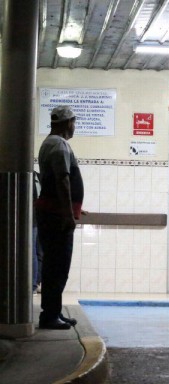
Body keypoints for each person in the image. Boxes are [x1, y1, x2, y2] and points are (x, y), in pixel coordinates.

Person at [35, 105, 85, 330]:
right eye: (74, 122)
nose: (75, 127)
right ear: (67, 123)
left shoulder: (49, 143)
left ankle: (53, 311)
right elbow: (62, 181)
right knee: (58, 266)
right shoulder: (60, 145)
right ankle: (49, 316)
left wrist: (75, 207)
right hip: (56, 216)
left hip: (53, 212)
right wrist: (67, 214)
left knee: (54, 265)